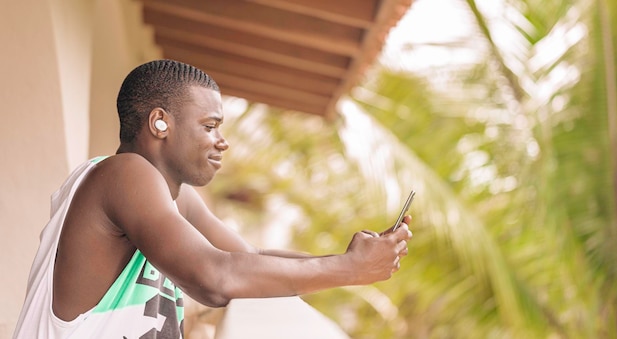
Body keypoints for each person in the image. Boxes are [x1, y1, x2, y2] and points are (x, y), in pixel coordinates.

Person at [13, 59, 412, 338]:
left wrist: (352, 259)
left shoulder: (171, 195)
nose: (223, 141)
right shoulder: (123, 174)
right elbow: (215, 279)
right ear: (160, 122)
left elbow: (249, 258)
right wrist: (347, 270)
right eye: (210, 125)